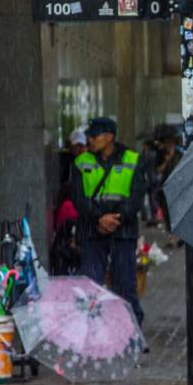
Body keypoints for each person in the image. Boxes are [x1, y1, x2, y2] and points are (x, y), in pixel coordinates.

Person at [71, 117, 146, 324]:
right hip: (92, 231)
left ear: (109, 137)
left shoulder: (132, 159)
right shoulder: (81, 162)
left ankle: (130, 330)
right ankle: (91, 330)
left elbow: (137, 196)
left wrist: (116, 218)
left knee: (124, 284)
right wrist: (99, 218)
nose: (90, 140)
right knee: (91, 284)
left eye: (94, 136)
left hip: (123, 231)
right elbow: (78, 198)